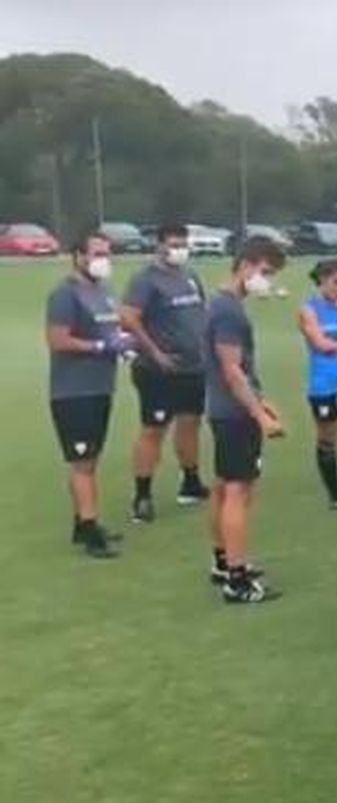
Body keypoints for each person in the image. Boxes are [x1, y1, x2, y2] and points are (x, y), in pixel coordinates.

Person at [205, 237, 289, 604]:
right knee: (238, 491)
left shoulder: (226, 305)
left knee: (224, 487)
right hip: (234, 413)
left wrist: (261, 400)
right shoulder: (228, 311)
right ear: (245, 265)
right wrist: (259, 415)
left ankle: (224, 561)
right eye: (265, 272)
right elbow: (232, 370)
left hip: (228, 408)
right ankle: (236, 579)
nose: (267, 281)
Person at [47, 231, 133, 558]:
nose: (103, 260)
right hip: (73, 391)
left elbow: (112, 331)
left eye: (107, 254)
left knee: (90, 460)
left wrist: (123, 343)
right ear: (78, 256)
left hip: (100, 387)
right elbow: (57, 340)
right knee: (82, 463)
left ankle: (82, 524)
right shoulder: (64, 295)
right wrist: (98, 346)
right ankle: (91, 529)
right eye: (97, 254)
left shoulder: (103, 292)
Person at [121, 223, 209, 523]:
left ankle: (191, 481)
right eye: (173, 244)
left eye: (183, 243)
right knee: (153, 430)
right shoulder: (145, 280)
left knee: (190, 423)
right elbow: (129, 318)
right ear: (158, 245)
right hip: (158, 370)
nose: (179, 249)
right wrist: (155, 352)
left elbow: (201, 315)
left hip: (193, 367)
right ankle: (142, 495)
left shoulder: (190, 276)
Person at [297, 259, 337, 510]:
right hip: (324, 384)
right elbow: (321, 344)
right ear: (322, 281)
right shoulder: (309, 309)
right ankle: (335, 494)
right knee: (327, 437)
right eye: (336, 283)